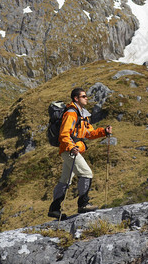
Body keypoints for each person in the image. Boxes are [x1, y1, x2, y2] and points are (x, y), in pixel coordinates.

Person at [48, 87, 112, 219]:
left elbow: (89, 133)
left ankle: (54, 209)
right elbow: (64, 134)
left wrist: (103, 132)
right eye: (83, 96)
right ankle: (83, 204)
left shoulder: (82, 114)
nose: (86, 98)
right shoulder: (71, 113)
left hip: (70, 149)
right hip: (70, 150)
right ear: (76, 98)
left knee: (65, 180)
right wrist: (71, 147)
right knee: (86, 173)